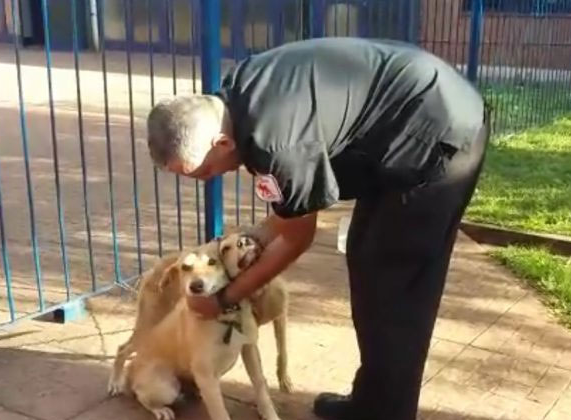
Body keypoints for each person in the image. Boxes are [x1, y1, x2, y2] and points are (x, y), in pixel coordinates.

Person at [146, 37, 490, 420]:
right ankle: (371, 402)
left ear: (222, 142)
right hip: (404, 123)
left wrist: (223, 299)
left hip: (439, 133)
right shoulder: (231, 103)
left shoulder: (276, 144)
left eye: (202, 171)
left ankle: (388, 412)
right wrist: (255, 236)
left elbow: (297, 237)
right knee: (366, 256)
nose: (205, 180)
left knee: (397, 286)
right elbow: (289, 213)